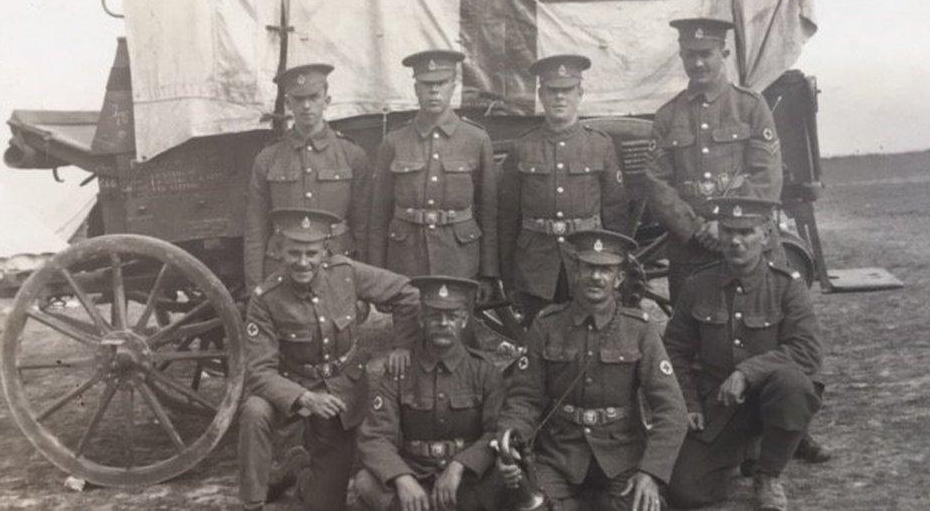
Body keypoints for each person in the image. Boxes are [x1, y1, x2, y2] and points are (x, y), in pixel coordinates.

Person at [238, 208, 420, 511]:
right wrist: (305, 398)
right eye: (294, 252)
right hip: (291, 388)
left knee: (326, 504)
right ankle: (252, 502)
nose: (303, 262)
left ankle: (299, 473)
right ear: (280, 250)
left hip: (341, 394)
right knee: (255, 410)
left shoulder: (345, 273)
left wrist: (402, 345)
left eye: (311, 252)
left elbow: (406, 292)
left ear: (324, 250)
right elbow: (259, 371)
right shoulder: (265, 297)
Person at [497, 229, 687, 511]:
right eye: (589, 268)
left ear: (619, 278)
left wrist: (651, 473)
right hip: (560, 455)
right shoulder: (547, 325)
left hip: (622, 455)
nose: (596, 277)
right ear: (576, 271)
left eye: (606, 270)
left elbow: (672, 410)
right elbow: (525, 399)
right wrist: (510, 444)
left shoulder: (640, 329)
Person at [663, 197, 823, 511]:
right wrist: (688, 403)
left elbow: (807, 351)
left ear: (766, 236)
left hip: (772, 398)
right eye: (728, 231)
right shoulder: (697, 285)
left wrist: (747, 372)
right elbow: (674, 352)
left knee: (794, 385)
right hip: (720, 405)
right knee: (685, 492)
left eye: (747, 231)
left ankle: (768, 474)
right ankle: (742, 448)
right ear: (718, 234)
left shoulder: (788, 286)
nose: (736, 241)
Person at [644, 17, 783, 305]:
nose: (698, 63)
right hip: (691, 250)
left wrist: (727, 226)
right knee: (691, 333)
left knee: (757, 323)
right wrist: (695, 229)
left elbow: (767, 176)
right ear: (682, 56)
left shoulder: (750, 107)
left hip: (746, 245)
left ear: (724, 54)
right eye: (691, 55)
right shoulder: (667, 115)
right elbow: (657, 184)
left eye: (706, 54)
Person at [499, 54, 631, 328]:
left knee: (587, 336)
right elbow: (508, 217)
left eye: (567, 90)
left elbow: (615, 213)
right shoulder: (522, 147)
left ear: (579, 93)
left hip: (586, 260)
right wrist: (509, 276)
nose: (560, 97)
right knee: (539, 335)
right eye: (552, 91)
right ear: (541, 95)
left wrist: (616, 266)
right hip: (535, 265)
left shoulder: (600, 145)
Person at [355, 276, 507, 511]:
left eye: (452, 316)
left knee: (505, 478)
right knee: (366, 482)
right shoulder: (399, 371)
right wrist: (402, 478)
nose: (443, 323)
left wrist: (459, 465)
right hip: (415, 475)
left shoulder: (483, 371)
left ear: (464, 320)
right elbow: (375, 436)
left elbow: (495, 431)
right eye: (435, 315)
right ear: (422, 320)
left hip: (465, 478)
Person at [368, 49, 499, 302]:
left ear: (454, 86)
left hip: (459, 258)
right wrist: (377, 276)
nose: (434, 91)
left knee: (458, 333)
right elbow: (378, 215)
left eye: (441, 83)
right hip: (406, 258)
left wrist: (488, 273)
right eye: (427, 84)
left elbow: (489, 213)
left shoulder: (476, 139)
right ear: (416, 89)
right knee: (409, 333)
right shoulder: (394, 141)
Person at [244, 63, 372, 290]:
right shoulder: (268, 158)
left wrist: (361, 288)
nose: (306, 106)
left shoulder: (352, 155)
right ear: (287, 104)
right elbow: (256, 230)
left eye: (314, 97)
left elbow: (363, 227)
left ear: (327, 100)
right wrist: (256, 288)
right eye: (298, 99)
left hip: (336, 264)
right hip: (282, 267)